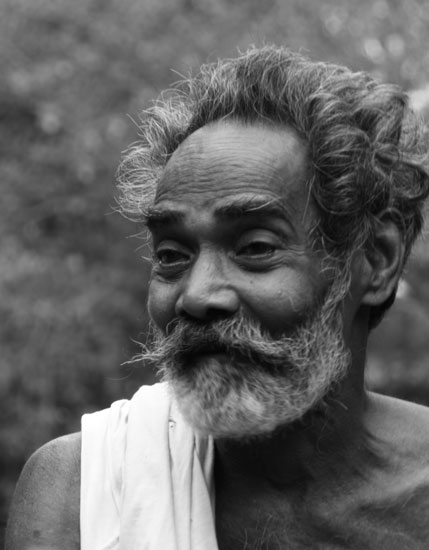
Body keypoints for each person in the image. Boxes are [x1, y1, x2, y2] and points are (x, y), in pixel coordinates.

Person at [6, 45, 429, 550]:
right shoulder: (80, 496)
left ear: (374, 261)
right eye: (171, 255)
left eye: (254, 247)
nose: (197, 295)